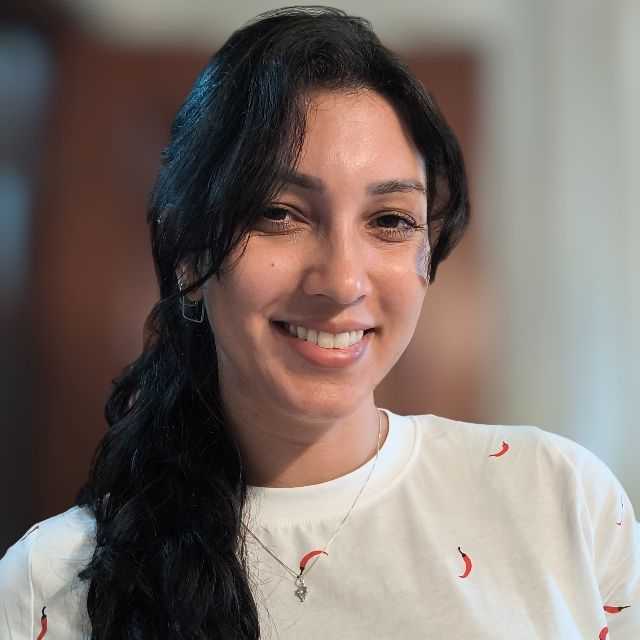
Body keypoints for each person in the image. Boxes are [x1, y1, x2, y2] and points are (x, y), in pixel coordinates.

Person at [1, 5, 638, 639]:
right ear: (190, 255)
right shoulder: (50, 587)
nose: (342, 281)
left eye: (390, 220)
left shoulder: (561, 501)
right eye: (279, 214)